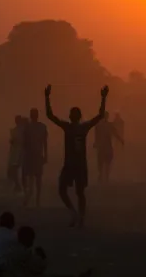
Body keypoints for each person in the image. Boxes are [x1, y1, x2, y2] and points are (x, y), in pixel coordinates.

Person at [45, 84, 108, 228]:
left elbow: (50, 115)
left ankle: (79, 216)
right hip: (74, 164)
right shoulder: (77, 127)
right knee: (73, 191)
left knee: (75, 192)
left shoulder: (72, 127)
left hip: (75, 164)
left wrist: (47, 97)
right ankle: (77, 215)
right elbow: (100, 116)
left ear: (75, 116)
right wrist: (103, 98)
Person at [0, 226, 92, 277]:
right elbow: (37, 269)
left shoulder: (12, 249)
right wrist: (42, 257)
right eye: (31, 239)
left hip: (13, 276)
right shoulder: (24, 252)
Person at [23, 108, 48, 208]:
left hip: (32, 156)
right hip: (36, 155)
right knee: (37, 179)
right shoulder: (41, 127)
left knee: (32, 179)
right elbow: (44, 143)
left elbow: (25, 143)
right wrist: (46, 155)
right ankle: (36, 201)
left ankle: (30, 199)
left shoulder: (28, 127)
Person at [94, 112, 124, 184]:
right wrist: (121, 140)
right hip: (106, 147)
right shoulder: (107, 125)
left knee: (103, 162)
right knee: (106, 163)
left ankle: (102, 176)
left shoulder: (99, 125)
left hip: (104, 147)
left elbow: (96, 136)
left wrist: (120, 140)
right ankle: (105, 177)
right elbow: (115, 133)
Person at [7, 116, 26, 192]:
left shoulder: (21, 130)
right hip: (16, 153)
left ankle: (20, 186)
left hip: (19, 153)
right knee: (14, 170)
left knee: (15, 170)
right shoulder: (16, 130)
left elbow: (21, 141)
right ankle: (18, 186)